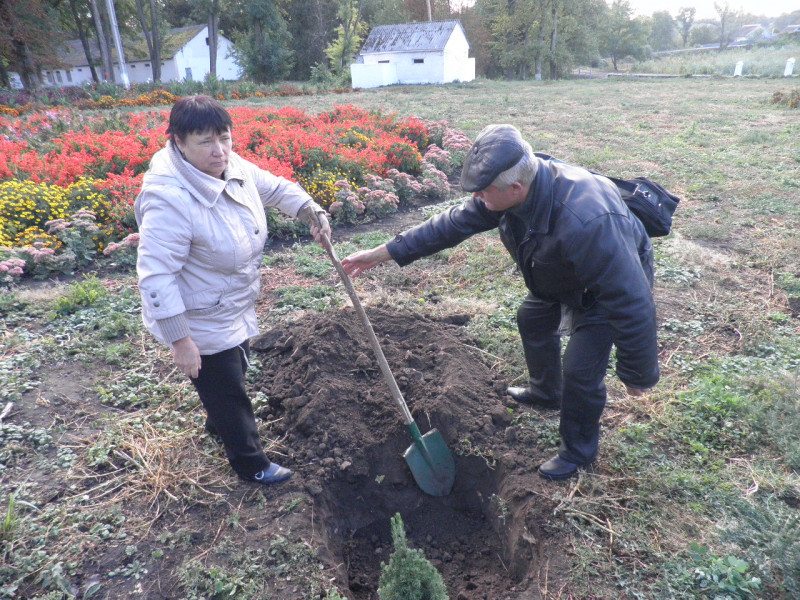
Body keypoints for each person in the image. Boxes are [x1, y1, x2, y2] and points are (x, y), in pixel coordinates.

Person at [341, 124, 659, 480]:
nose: (476, 199)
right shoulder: (510, 189)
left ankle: (577, 454)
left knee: (581, 372)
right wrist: (381, 254)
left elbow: (631, 299)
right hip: (559, 273)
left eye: (482, 193)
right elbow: (449, 226)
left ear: (515, 189)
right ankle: (546, 393)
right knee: (532, 318)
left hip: (602, 289)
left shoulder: (588, 220)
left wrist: (637, 373)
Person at [135, 95, 330, 486]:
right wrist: (181, 341)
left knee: (234, 369)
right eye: (204, 141)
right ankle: (250, 463)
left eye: (224, 137)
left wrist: (311, 210)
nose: (219, 150)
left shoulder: (231, 164)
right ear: (178, 142)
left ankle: (218, 420)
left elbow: (274, 188)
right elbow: (156, 276)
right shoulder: (169, 199)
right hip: (198, 316)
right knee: (228, 390)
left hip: (230, 302)